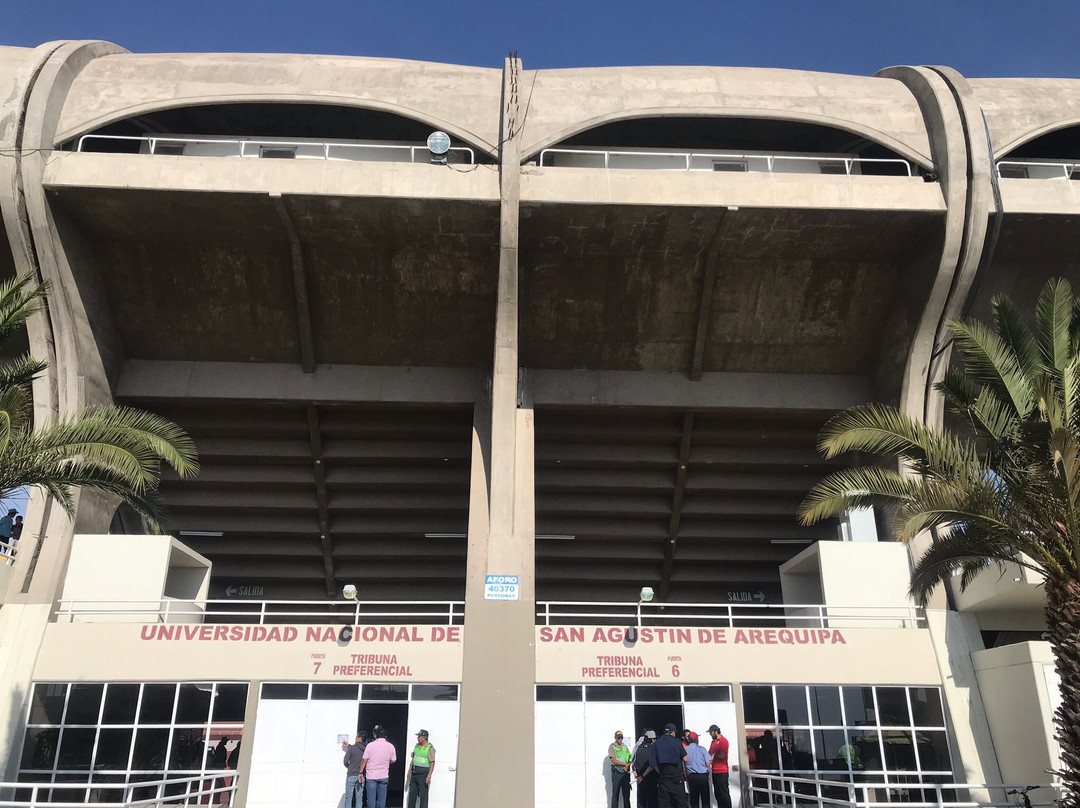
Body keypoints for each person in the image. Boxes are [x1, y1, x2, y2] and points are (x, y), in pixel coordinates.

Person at [638, 723, 687, 808]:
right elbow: (686, 759)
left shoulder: (656, 744)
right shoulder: (677, 742)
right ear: (672, 732)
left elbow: (653, 764)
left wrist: (661, 773)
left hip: (664, 778)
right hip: (677, 778)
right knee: (681, 803)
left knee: (664, 804)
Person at [360, 725, 396, 808]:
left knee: (371, 799)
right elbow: (393, 760)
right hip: (384, 775)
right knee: (382, 799)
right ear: (385, 737)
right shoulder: (390, 746)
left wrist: (360, 772)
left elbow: (364, 760)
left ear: (376, 736)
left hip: (371, 776)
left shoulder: (370, 745)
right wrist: (386, 761)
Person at [406, 729, 435, 808]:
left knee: (423, 797)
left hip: (423, 775)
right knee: (412, 796)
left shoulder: (429, 748)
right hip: (414, 774)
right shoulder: (417, 746)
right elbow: (413, 759)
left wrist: (429, 776)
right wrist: (409, 771)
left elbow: (432, 762)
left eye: (419, 736)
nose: (417, 738)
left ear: (424, 738)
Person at [633, 730, 658, 808]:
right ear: (651, 739)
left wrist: (637, 777)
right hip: (651, 779)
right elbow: (652, 765)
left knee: (641, 802)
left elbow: (633, 765)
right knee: (652, 802)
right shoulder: (652, 749)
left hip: (640, 780)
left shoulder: (638, 749)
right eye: (654, 739)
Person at [707, 724, 731, 808]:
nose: (710, 734)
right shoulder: (713, 742)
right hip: (714, 770)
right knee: (717, 793)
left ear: (715, 732)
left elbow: (722, 755)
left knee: (724, 793)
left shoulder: (723, 741)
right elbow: (709, 753)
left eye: (711, 732)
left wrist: (714, 755)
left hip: (722, 771)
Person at [684, 733, 710, 808]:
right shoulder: (702, 749)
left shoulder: (685, 750)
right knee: (705, 800)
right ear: (696, 739)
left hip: (692, 777)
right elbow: (708, 763)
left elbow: (684, 766)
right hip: (702, 777)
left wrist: (686, 777)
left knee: (694, 801)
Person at [608, 730, 633, 808]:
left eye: (621, 737)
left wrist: (627, 765)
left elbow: (630, 758)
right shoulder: (612, 746)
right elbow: (613, 760)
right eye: (618, 737)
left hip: (625, 772)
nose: (620, 739)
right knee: (616, 794)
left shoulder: (625, 746)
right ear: (615, 738)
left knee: (626, 794)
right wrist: (624, 764)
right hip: (617, 772)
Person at [342, 733, 367, 808]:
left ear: (359, 738)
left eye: (356, 737)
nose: (355, 738)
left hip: (351, 774)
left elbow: (345, 761)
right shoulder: (367, 749)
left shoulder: (352, 748)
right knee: (359, 798)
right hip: (361, 775)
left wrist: (349, 767)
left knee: (349, 797)